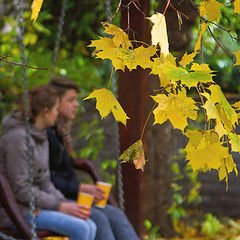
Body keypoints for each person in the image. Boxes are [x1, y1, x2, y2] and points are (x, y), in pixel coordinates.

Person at [47, 77, 139, 240]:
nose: (76, 104)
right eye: (71, 100)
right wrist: (80, 188)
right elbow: (48, 178)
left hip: (68, 195)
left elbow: (63, 173)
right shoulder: (46, 134)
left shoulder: (61, 132)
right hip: (56, 199)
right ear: (55, 102)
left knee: (115, 214)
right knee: (99, 218)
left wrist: (81, 189)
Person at [0, 85, 96, 240]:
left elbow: (45, 181)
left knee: (90, 225)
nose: (57, 114)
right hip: (17, 212)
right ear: (46, 111)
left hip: (36, 207)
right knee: (81, 229)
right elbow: (21, 189)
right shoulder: (18, 139)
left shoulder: (41, 135)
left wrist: (63, 203)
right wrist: (59, 206)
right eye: (56, 109)